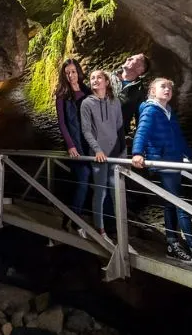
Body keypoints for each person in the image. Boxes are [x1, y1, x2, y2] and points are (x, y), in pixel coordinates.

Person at [131, 78, 192, 275]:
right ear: (152, 91)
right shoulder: (150, 110)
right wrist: (137, 153)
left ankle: (173, 245)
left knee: (170, 204)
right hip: (162, 162)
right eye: (163, 87)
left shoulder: (168, 111)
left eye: (170, 87)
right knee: (181, 205)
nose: (168, 89)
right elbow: (141, 132)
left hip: (174, 161)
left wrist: (190, 156)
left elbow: (178, 137)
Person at [79, 69, 124, 240]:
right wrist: (97, 149)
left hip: (115, 154)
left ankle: (121, 231)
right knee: (101, 192)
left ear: (106, 81)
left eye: (99, 77)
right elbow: (86, 130)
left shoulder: (115, 102)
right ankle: (100, 230)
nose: (95, 80)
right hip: (98, 155)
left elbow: (120, 128)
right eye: (92, 78)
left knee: (116, 193)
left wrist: (123, 154)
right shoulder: (86, 103)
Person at [54, 58, 90, 231]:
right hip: (75, 143)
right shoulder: (62, 94)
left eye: (73, 72)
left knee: (90, 181)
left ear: (78, 72)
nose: (70, 75)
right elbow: (62, 123)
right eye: (67, 73)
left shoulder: (86, 91)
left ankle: (74, 218)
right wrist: (70, 145)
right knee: (83, 178)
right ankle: (74, 220)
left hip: (89, 142)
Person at [110, 53, 150, 146]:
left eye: (133, 59)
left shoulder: (140, 92)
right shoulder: (106, 78)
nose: (128, 58)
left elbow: (141, 121)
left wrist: (135, 143)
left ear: (140, 69)